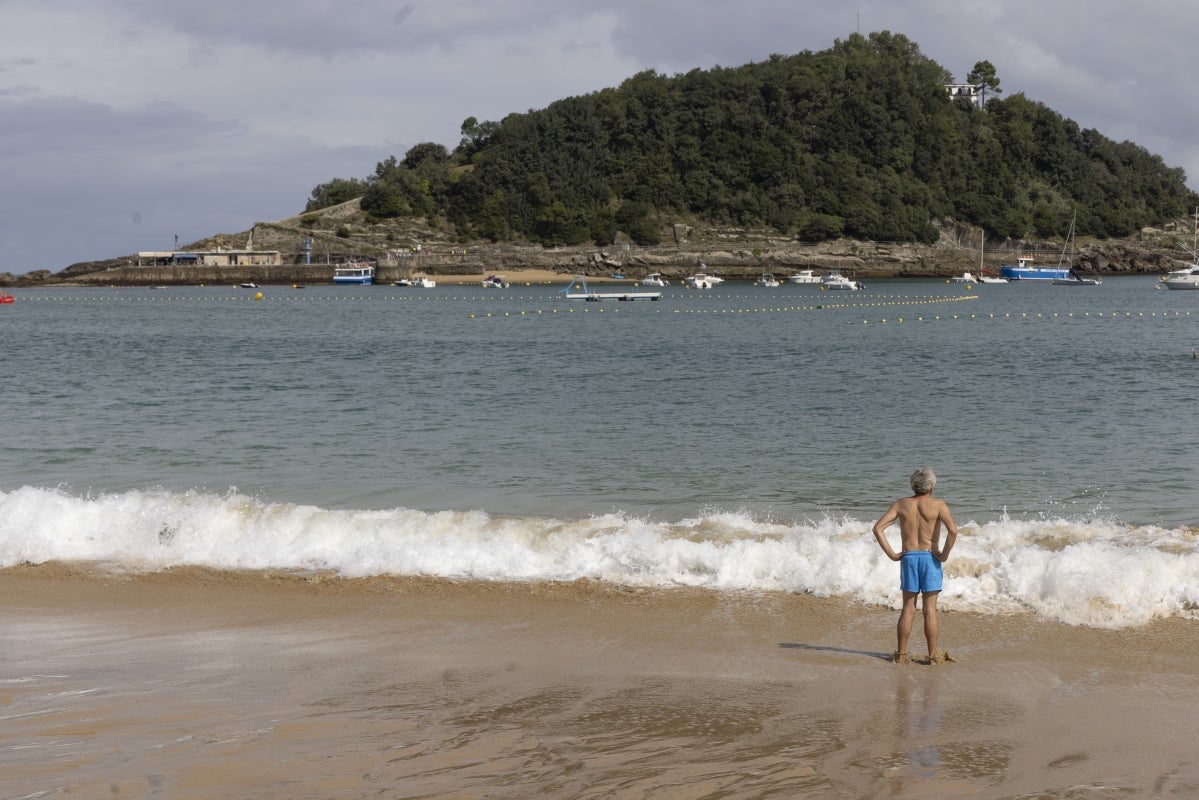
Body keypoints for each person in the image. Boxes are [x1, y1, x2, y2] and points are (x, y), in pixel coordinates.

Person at [872, 466, 959, 664]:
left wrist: (893, 554)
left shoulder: (901, 504)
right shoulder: (938, 505)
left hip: (909, 557)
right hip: (930, 558)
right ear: (932, 487)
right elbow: (953, 531)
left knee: (908, 608)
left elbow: (878, 529)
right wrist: (943, 555)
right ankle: (932, 656)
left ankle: (901, 655)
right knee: (930, 609)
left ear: (913, 485)